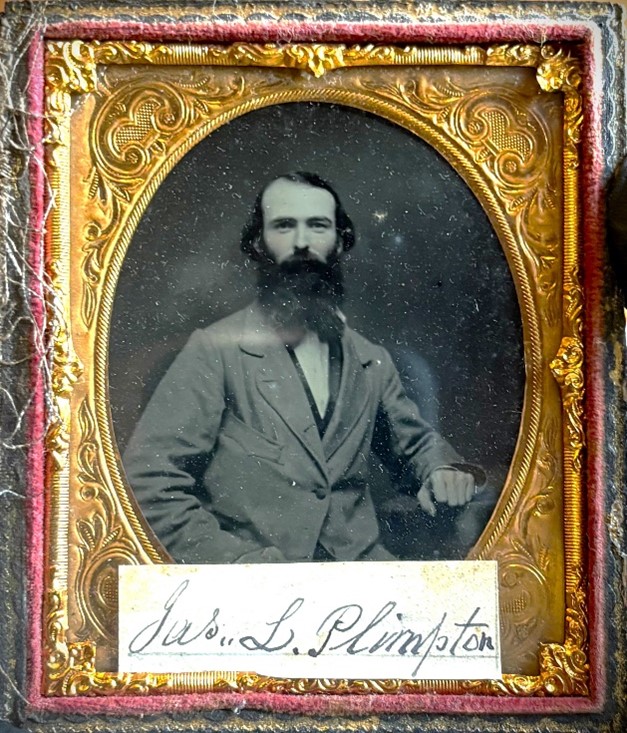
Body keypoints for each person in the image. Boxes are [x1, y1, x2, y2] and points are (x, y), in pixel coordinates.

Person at [123, 172, 482, 564]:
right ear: (257, 243)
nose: (301, 243)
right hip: (254, 588)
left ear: (340, 242)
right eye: (283, 226)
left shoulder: (370, 358)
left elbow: (414, 445)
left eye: (317, 226)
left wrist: (441, 470)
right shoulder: (214, 351)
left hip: (364, 579)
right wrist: (237, 564)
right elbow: (149, 482)